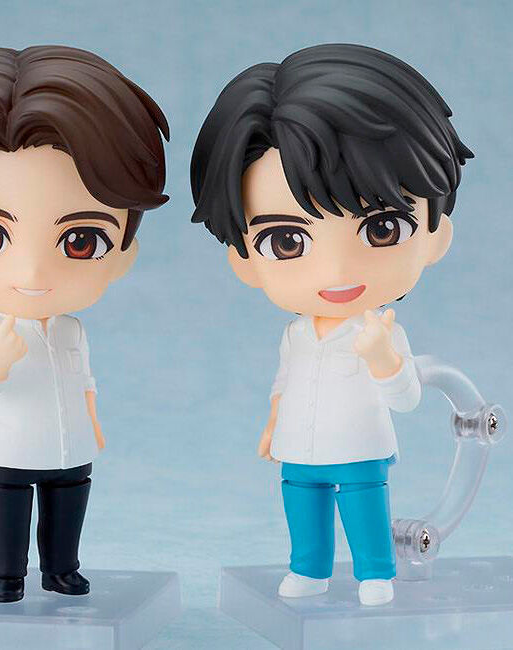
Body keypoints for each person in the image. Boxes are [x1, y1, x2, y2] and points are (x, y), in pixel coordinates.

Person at [190, 43, 472, 606]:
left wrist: (383, 359)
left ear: (435, 235)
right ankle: (309, 570)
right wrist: (273, 425)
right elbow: (284, 382)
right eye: (286, 241)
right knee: (303, 509)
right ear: (243, 258)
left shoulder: (381, 331)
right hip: (299, 445)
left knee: (364, 508)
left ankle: (375, 572)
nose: (336, 271)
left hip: (362, 446)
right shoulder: (295, 335)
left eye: (382, 229)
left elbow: (407, 397)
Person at [0, 45, 169, 603]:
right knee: (8, 512)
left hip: (70, 445)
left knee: (68, 506)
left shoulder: (71, 331)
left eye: (81, 240)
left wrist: (93, 423)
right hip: (8, 448)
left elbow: (85, 380)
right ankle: (8, 574)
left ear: (122, 252)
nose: (33, 273)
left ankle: (62, 569)